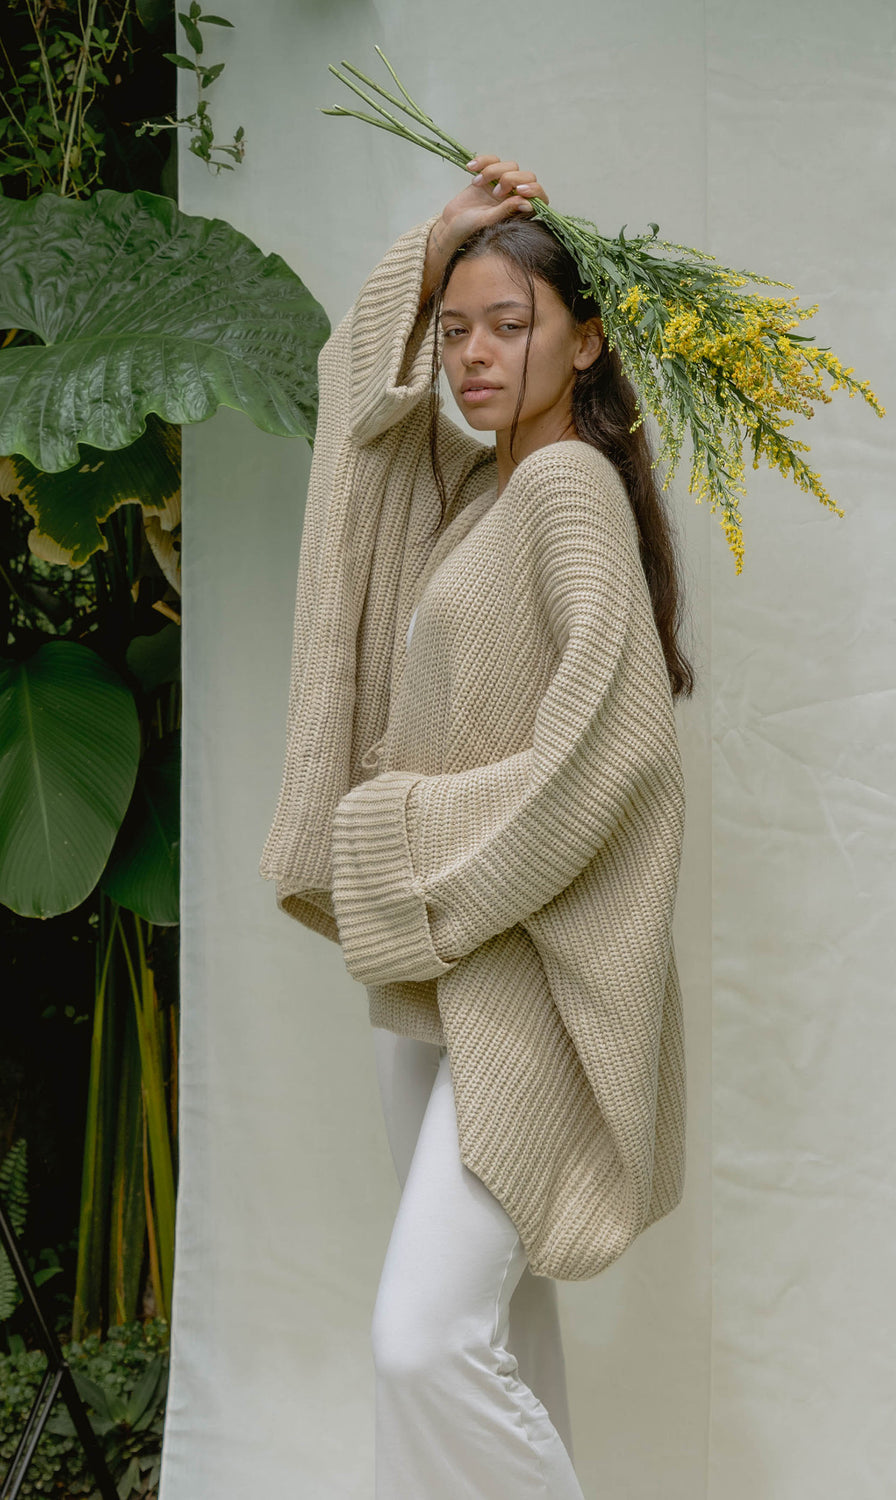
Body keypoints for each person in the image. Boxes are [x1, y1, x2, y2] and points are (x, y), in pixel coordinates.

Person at [259, 154, 693, 1499]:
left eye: (511, 323)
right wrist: (441, 239)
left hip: (521, 965)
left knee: (424, 1343)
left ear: (586, 340)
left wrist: (399, 837)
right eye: (455, 329)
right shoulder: (479, 492)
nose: (474, 354)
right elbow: (358, 420)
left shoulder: (565, 489)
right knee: (494, 1334)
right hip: (451, 962)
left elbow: (618, 746)